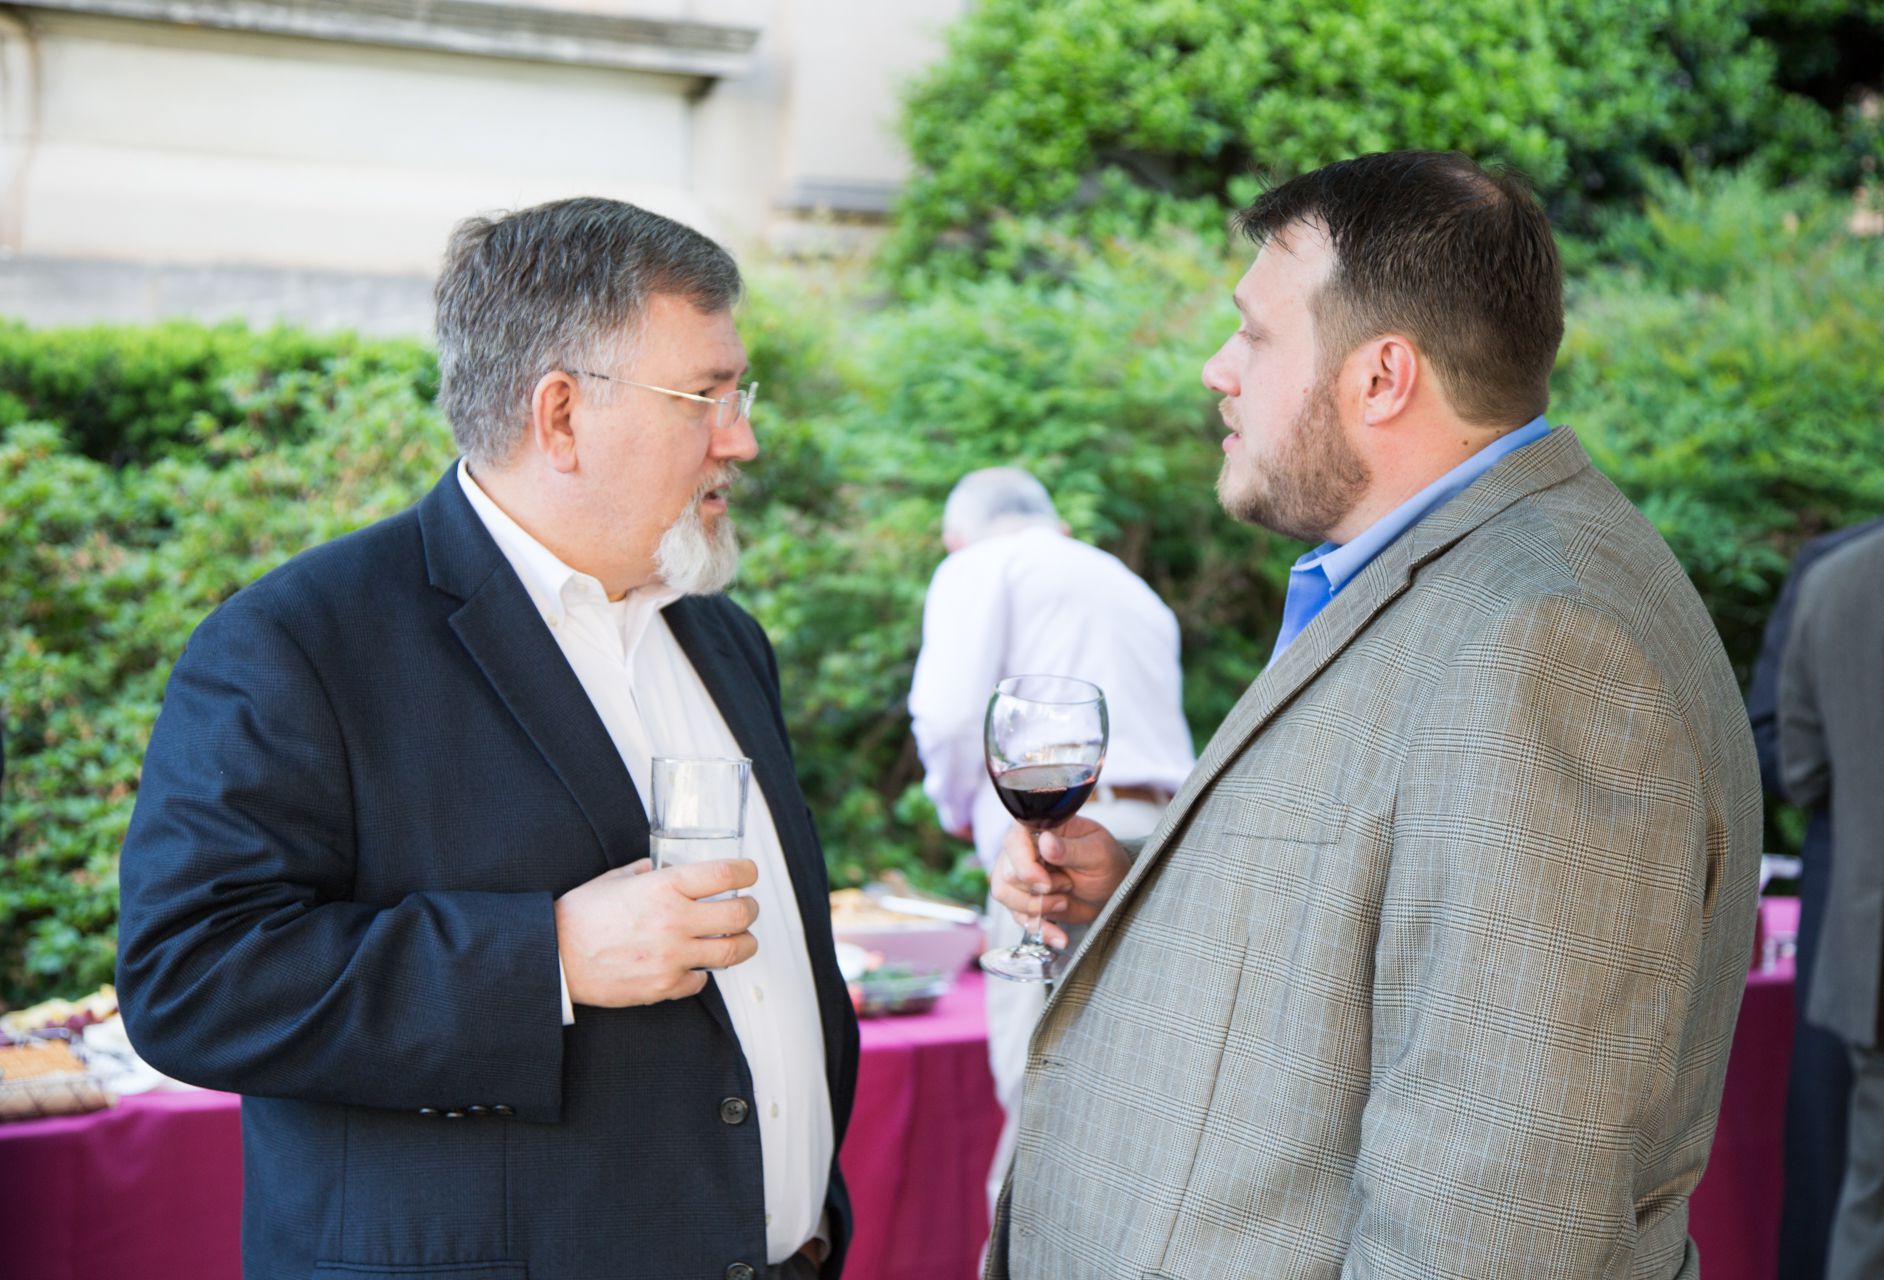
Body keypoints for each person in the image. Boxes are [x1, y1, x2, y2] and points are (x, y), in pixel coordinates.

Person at [987, 150, 1762, 1278]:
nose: (1218, 369)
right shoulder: (1454, 576)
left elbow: (1497, 1209)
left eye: (1254, 334)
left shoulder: (1548, 640)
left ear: (1383, 376)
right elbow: (1397, 909)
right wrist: (1155, 891)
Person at [116, 198, 857, 1280]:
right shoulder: (300, 642)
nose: (740, 437)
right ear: (561, 416)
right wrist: (545, 957)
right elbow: (191, 978)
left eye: (739, 394)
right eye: (706, 395)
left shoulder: (723, 637)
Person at [907, 466, 1195, 1217]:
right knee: (1142, 1099)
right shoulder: (1127, 585)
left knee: (1037, 1101)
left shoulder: (978, 564)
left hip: (1059, 850)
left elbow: (949, 716)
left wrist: (959, 810)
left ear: (956, 538)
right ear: (1057, 524)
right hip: (1166, 847)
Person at [1747, 506, 1884, 1279]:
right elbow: (1772, 745)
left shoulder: (1845, 576)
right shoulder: (1838, 567)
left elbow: (1799, 765)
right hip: (1868, 935)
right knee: (1845, 1180)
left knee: (1874, 1210)